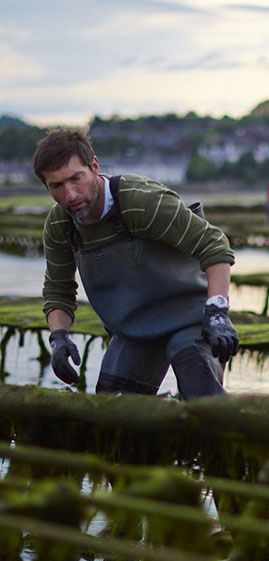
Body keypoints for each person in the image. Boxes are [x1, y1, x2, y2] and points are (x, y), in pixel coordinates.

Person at [35, 129, 239, 399]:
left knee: (199, 390)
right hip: (133, 330)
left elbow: (214, 245)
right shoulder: (61, 224)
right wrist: (59, 337)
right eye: (57, 186)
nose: (70, 194)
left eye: (76, 178)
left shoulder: (139, 201)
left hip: (190, 318)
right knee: (113, 415)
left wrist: (217, 312)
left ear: (94, 166)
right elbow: (58, 290)